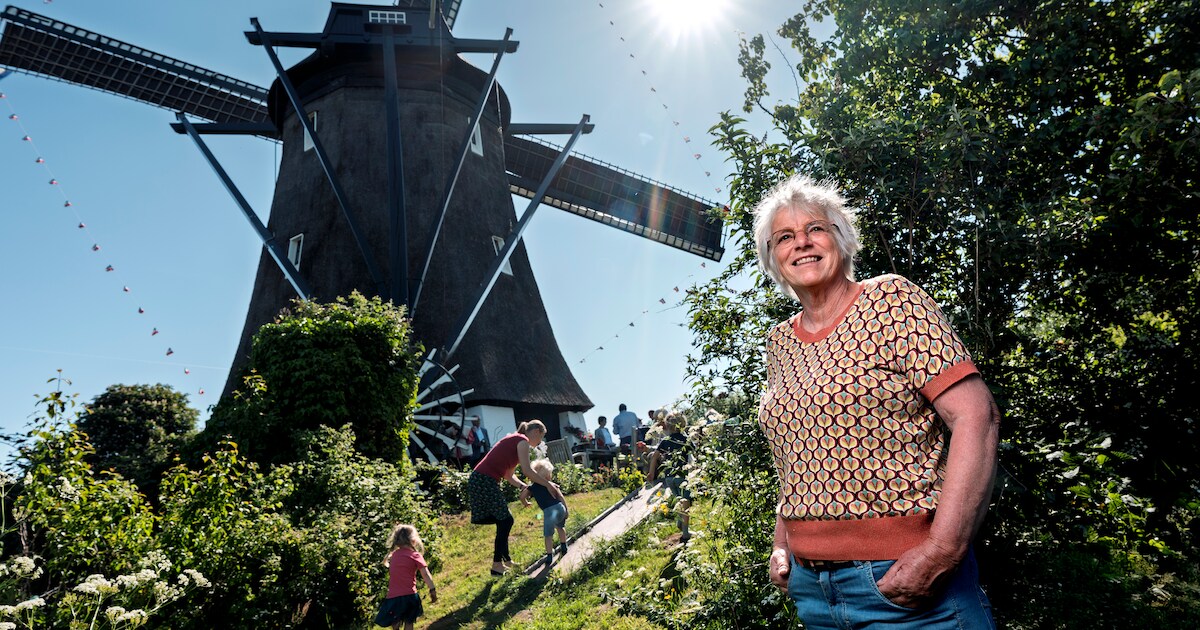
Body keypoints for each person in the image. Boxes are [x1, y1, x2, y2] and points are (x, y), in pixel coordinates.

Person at [754, 174, 1000, 628]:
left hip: (902, 582)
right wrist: (782, 545)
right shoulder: (778, 343)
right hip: (811, 593)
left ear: (842, 239)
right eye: (784, 237)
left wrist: (941, 552)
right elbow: (797, 460)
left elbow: (976, 416)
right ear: (774, 258)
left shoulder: (890, 300)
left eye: (816, 229)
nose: (801, 243)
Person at [467, 419, 557, 576]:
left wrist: (525, 487)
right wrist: (548, 484)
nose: (540, 442)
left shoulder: (516, 441)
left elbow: (509, 475)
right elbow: (528, 470)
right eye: (541, 437)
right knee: (506, 520)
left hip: (481, 479)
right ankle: (497, 565)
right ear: (536, 431)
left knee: (503, 520)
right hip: (484, 480)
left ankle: (506, 561)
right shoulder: (522, 441)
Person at [374, 523, 437, 630]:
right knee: (409, 622)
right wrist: (432, 589)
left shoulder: (393, 556)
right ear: (414, 540)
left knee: (395, 622)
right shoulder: (415, 556)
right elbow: (425, 574)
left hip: (393, 597)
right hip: (410, 595)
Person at [646, 411, 692, 542]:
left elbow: (655, 455)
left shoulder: (665, 441)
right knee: (685, 501)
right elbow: (695, 453)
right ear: (683, 424)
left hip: (669, 478)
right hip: (682, 476)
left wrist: (651, 472)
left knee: (679, 499)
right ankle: (685, 532)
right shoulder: (685, 439)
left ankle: (679, 521)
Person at [521, 459, 570, 566]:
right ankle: (564, 546)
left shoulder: (532, 488)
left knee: (548, 535)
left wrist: (525, 502)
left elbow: (522, 496)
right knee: (560, 527)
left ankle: (549, 556)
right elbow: (560, 497)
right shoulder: (551, 485)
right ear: (547, 475)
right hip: (560, 507)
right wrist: (566, 510)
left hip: (549, 511)